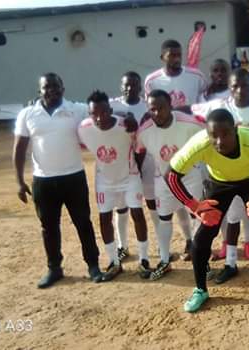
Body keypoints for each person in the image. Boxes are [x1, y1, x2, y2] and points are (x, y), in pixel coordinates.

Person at [166, 108, 249, 312]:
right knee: (203, 234)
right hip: (219, 182)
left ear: (236, 131)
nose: (220, 141)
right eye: (214, 135)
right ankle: (200, 289)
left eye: (226, 134)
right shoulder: (200, 143)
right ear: (207, 134)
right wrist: (193, 205)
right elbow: (171, 175)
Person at [190, 68, 249, 283]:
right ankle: (231, 263)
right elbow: (191, 109)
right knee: (232, 218)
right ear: (229, 88)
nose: (240, 90)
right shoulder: (219, 107)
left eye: (244, 85)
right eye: (235, 86)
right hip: (227, 175)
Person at [13, 72, 102, 288]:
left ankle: (93, 266)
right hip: (43, 181)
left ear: (63, 88)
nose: (51, 90)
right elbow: (19, 148)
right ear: (40, 91)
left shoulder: (77, 110)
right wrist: (19, 181)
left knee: (83, 223)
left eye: (55, 86)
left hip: (73, 177)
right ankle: (54, 268)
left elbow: (101, 113)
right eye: (46, 87)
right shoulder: (27, 114)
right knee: (48, 227)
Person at [78, 90, 150, 280]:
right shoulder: (84, 129)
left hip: (129, 177)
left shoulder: (125, 126)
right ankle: (113, 261)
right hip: (105, 181)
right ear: (89, 113)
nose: (99, 118)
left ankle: (144, 259)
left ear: (110, 110)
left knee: (137, 214)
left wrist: (139, 170)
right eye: (94, 113)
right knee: (104, 218)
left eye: (103, 112)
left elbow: (140, 149)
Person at [135, 90, 205, 280]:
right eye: (152, 109)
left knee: (197, 216)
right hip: (163, 179)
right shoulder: (145, 131)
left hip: (190, 176)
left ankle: (202, 260)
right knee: (164, 218)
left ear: (170, 106)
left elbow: (209, 138)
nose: (157, 113)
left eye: (162, 108)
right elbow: (138, 151)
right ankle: (165, 261)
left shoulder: (190, 124)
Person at [110, 71, 158, 260]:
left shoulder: (149, 106)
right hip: (122, 162)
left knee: (152, 203)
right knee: (121, 207)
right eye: (126, 85)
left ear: (141, 87)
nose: (130, 88)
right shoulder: (113, 106)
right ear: (121, 87)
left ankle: (162, 246)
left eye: (134, 84)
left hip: (147, 161)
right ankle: (122, 246)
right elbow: (88, 110)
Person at [144, 39, 207, 107]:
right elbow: (149, 106)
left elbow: (204, 101)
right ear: (162, 58)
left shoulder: (197, 76)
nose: (177, 59)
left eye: (179, 55)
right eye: (172, 56)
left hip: (191, 117)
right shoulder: (151, 81)